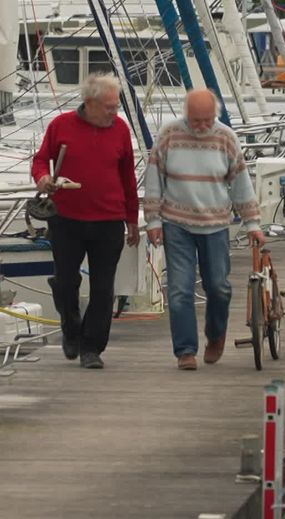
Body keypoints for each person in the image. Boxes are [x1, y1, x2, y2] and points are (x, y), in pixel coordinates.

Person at [143, 88, 266, 371]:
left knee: (219, 287)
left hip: (215, 224)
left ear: (215, 115)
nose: (201, 126)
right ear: (186, 115)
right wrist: (153, 220)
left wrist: (252, 223)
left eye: (207, 120)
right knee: (179, 291)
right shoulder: (169, 134)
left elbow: (241, 184)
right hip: (177, 224)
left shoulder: (225, 137)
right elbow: (154, 180)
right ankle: (185, 351)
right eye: (196, 120)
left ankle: (216, 334)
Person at [31, 73, 140, 369]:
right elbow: (41, 160)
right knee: (65, 280)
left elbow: (128, 176)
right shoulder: (61, 125)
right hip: (66, 219)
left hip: (109, 219)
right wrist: (43, 179)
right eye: (108, 107)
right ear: (89, 103)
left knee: (103, 287)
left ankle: (92, 347)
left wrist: (132, 218)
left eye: (116, 106)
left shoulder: (120, 129)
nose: (114, 113)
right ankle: (70, 325)